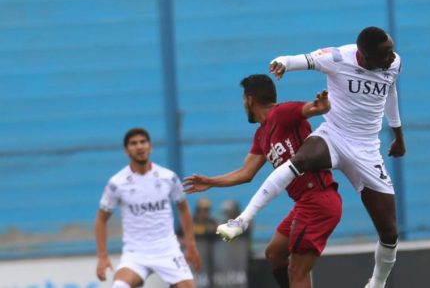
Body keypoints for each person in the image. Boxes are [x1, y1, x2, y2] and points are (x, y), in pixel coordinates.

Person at [219, 26, 406, 288]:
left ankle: (376, 284)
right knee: (299, 161)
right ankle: (242, 220)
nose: (392, 57)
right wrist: (282, 62)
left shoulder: (393, 63)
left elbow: (391, 90)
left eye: (391, 51)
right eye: (385, 54)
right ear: (364, 55)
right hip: (335, 135)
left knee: (390, 232)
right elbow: (303, 59)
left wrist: (398, 134)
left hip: (366, 149)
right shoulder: (339, 57)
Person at [183, 74, 342, 288]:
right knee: (275, 252)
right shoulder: (261, 134)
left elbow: (311, 109)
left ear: (249, 100)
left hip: (318, 200)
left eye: (243, 100)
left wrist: (322, 107)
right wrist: (211, 181)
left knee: (297, 270)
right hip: (303, 203)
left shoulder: (281, 113)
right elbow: (246, 172)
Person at [95, 128, 201, 288]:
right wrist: (103, 256)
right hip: (136, 253)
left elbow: (183, 209)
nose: (139, 146)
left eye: (143, 142)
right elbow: (101, 220)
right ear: (126, 151)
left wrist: (191, 246)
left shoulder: (169, 177)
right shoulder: (116, 183)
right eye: (133, 143)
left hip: (167, 250)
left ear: (150, 147)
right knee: (119, 286)